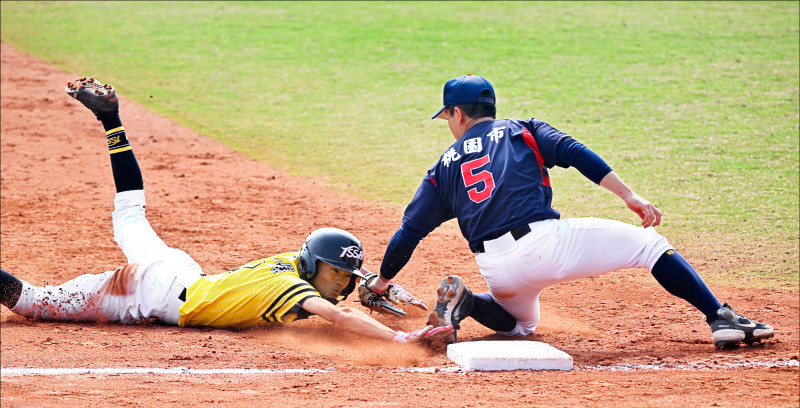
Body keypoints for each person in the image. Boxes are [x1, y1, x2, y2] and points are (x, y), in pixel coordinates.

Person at [0, 78, 452, 345]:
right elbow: (339, 316)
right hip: (147, 294)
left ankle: (111, 121)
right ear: (313, 267)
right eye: (336, 276)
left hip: (177, 272)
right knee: (35, 304)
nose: (339, 285)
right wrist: (401, 338)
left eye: (343, 277)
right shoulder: (290, 286)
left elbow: (338, 280)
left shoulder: (294, 262)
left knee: (130, 216)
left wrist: (367, 281)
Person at [363, 74, 773, 349]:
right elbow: (575, 153)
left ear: (457, 112)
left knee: (521, 326)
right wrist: (627, 195)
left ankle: (468, 302)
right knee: (650, 246)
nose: (447, 124)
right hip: (546, 245)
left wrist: (381, 283)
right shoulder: (523, 128)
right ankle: (722, 318)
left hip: (497, 267)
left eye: (446, 116)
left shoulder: (443, 167)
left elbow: (409, 232)